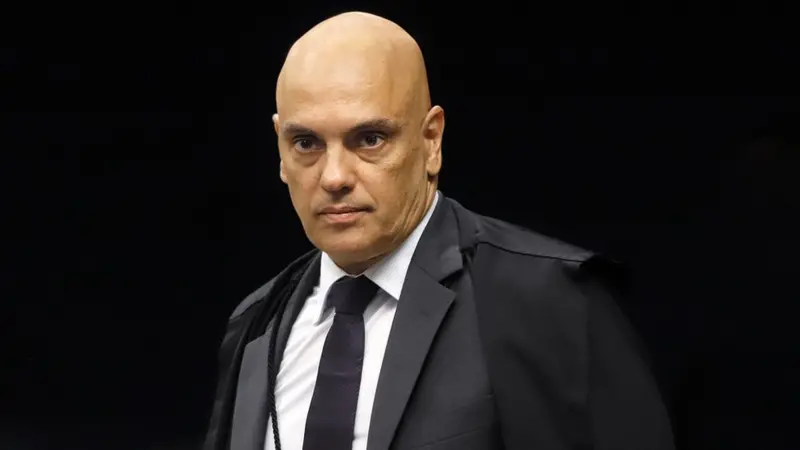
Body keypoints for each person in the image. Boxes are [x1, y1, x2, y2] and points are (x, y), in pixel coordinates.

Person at [203, 11, 674, 450]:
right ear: (280, 150)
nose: (334, 177)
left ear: (431, 140)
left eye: (370, 139)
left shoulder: (551, 301)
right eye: (306, 143)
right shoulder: (257, 325)